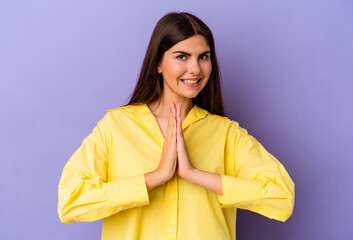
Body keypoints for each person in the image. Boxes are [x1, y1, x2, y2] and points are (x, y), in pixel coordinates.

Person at [58, 11, 295, 240]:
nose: (195, 69)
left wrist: (196, 175)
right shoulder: (116, 127)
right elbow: (71, 201)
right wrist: (156, 177)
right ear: (158, 64)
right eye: (181, 56)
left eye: (204, 56)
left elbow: (282, 195)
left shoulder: (227, 134)